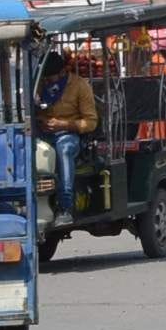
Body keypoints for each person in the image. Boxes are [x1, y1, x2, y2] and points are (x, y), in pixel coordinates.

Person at [33, 49, 98, 216]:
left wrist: (64, 125)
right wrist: (41, 120)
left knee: (64, 148)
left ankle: (65, 205)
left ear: (63, 72)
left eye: (51, 78)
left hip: (70, 135)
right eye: (45, 79)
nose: (47, 82)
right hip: (45, 133)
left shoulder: (80, 86)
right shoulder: (41, 84)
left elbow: (91, 122)